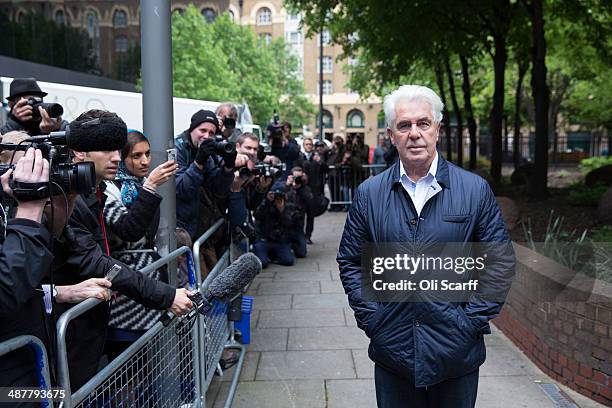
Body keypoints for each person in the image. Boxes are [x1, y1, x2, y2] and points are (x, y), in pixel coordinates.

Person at [337, 85, 515, 408]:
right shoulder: (369, 194)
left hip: (456, 356)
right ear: (391, 135)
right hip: (394, 355)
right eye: (404, 126)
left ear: (438, 130)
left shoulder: (474, 190)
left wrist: (469, 323)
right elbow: (351, 260)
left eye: (423, 123)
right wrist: (374, 319)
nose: (414, 133)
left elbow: (499, 262)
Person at [103, 130, 180, 350]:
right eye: (136, 156)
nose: (145, 161)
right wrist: (150, 187)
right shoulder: (108, 189)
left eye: (147, 154)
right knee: (123, 361)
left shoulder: (140, 183)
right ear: (121, 157)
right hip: (124, 285)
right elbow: (130, 230)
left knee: (150, 359)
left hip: (146, 278)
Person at [174, 109, 237, 239]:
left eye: (211, 133)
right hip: (177, 225)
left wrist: (228, 167)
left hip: (197, 224)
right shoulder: (177, 149)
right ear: (192, 130)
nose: (206, 137)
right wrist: (199, 162)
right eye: (202, 131)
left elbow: (218, 189)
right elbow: (182, 190)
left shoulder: (207, 150)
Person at [1, 77, 68, 135]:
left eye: (38, 102)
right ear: (11, 104)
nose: (36, 107)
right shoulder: (4, 127)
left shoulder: (58, 124)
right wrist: (15, 121)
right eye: (30, 102)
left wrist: (55, 131)